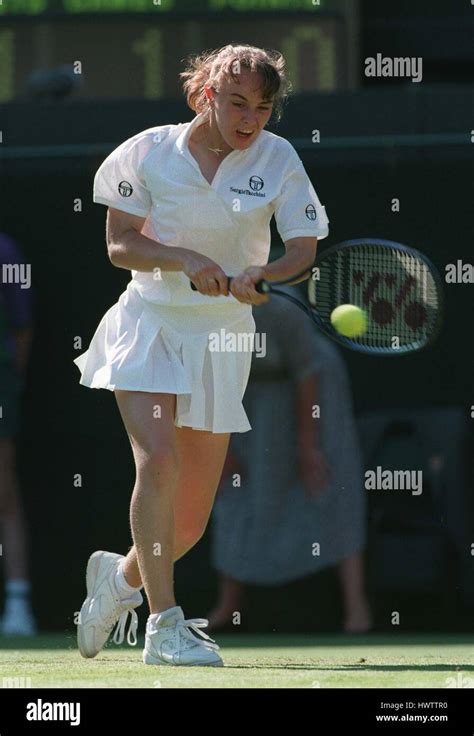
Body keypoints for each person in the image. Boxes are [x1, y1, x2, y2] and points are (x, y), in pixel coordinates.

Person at [73, 44, 329, 667]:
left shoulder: (279, 158)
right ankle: (165, 626)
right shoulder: (146, 153)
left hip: (223, 338)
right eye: (236, 103)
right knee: (157, 461)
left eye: (262, 109)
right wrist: (184, 259)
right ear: (204, 96)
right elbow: (119, 245)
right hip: (149, 323)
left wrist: (264, 272)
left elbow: (303, 247)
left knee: (186, 525)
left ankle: (119, 583)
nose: (249, 119)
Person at [207, 292, 372, 634]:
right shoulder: (205, 315)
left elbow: (306, 375)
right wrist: (221, 448)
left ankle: (357, 608)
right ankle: (227, 607)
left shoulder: (281, 310)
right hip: (251, 398)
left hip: (313, 390)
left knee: (331, 482)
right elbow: (212, 383)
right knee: (234, 491)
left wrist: (308, 446)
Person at [0, 233, 36, 636]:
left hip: (1, 382)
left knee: (2, 489)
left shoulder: (7, 252)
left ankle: (18, 606)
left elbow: (23, 328)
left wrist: (10, 382)